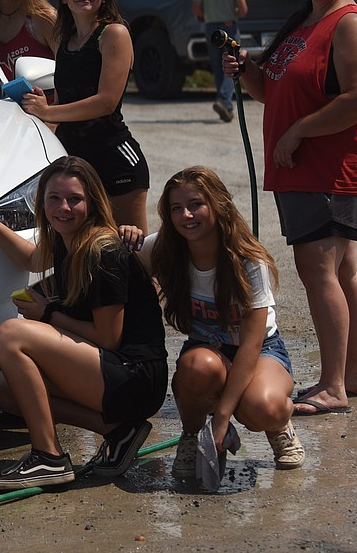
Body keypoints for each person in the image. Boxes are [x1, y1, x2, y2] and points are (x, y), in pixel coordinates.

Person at [223, 0, 357, 415]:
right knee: (343, 270)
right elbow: (275, 94)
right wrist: (249, 69)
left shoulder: (349, 25)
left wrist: (298, 134)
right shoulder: (304, 23)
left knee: (319, 272)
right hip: (305, 169)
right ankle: (355, 375)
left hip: (329, 168)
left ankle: (333, 384)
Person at [0, 156, 167, 491]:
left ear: (92, 202)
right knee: (7, 390)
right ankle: (119, 431)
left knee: (10, 335)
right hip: (113, 374)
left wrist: (47, 314)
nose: (64, 207)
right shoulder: (68, 241)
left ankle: (48, 457)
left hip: (136, 377)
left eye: (74, 199)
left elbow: (108, 338)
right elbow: (30, 258)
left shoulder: (102, 250)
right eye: (54, 199)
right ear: (42, 202)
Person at [121, 166, 305, 478]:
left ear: (218, 205)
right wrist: (124, 237)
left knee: (263, 408)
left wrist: (221, 418)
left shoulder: (248, 260)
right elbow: (107, 261)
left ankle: (279, 426)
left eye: (195, 205)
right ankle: (191, 436)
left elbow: (252, 344)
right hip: (206, 351)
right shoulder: (164, 248)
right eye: (176, 208)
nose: (186, 216)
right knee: (197, 368)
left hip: (258, 352)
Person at [19, 0, 151, 232]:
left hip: (114, 158)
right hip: (74, 160)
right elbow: (63, 100)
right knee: (80, 250)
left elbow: (106, 102)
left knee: (131, 251)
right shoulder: (65, 40)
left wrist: (47, 111)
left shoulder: (114, 33)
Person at [192, 0, 248, 123]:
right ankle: (224, 100)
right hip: (229, 25)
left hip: (210, 27)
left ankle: (227, 107)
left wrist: (205, 16)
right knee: (232, 64)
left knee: (218, 66)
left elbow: (195, 8)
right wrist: (234, 14)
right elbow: (243, 8)